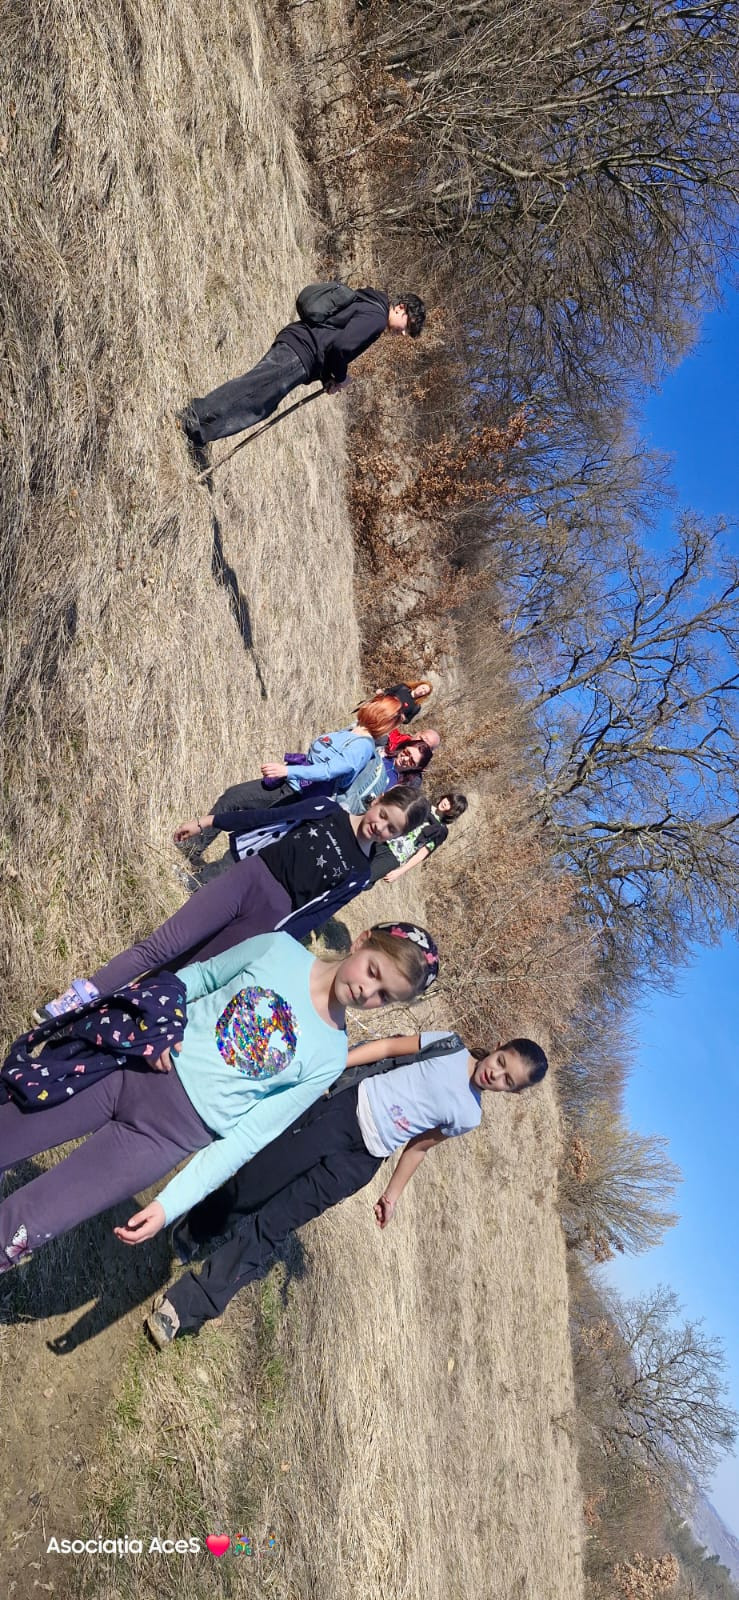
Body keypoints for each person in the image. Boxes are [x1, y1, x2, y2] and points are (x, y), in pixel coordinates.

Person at [0, 925, 438, 1275]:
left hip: (160, 1139)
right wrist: (160, 1027)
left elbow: (249, 1137)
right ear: (361, 941)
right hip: (125, 1068)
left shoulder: (331, 1057)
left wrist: (171, 1203)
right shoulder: (278, 949)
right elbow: (197, 979)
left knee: (33, 1220)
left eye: (384, 996)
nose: (367, 992)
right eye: (373, 972)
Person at [145, 1020, 548, 1346]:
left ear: (512, 1092)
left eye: (507, 1081)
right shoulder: (449, 1045)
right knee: (258, 1181)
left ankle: (187, 1306)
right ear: (498, 1046)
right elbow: (388, 1048)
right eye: (501, 1062)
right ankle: (197, 1228)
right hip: (341, 1112)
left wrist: (392, 1195)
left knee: (276, 1225)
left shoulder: (469, 1116)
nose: (495, 1075)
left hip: (361, 1162)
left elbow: (420, 1146)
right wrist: (335, 1068)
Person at [39, 787, 430, 1016]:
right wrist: (208, 822)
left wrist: (272, 948)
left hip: (265, 921)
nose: (380, 827)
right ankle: (82, 996)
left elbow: (313, 916)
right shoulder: (327, 808)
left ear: (397, 838)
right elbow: (265, 816)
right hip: (245, 880)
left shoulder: (360, 873)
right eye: (384, 815)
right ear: (378, 799)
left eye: (391, 830)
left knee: (184, 975)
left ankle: (112, 1017)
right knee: (164, 945)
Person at [179, 285, 426, 450]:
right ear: (401, 308)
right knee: (254, 394)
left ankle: (201, 431)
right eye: (408, 326)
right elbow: (340, 347)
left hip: (301, 347)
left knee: (259, 401)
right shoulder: (375, 318)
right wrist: (341, 377)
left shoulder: (370, 304)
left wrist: (328, 378)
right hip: (301, 352)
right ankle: (196, 416)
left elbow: (331, 338)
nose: (404, 333)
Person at [181, 697, 411, 846]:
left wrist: (287, 771)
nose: (368, 702)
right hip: (292, 781)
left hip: (300, 793)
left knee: (245, 816)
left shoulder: (362, 747)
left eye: (375, 702)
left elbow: (329, 771)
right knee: (235, 800)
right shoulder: (353, 730)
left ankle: (200, 858)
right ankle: (196, 847)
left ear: (377, 711)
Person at [368, 792, 468, 886]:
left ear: (452, 813)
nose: (446, 803)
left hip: (394, 857)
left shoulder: (441, 831)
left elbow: (422, 854)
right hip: (383, 840)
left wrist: (400, 871)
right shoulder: (422, 805)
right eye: (448, 799)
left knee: (367, 878)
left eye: (451, 805)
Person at [338, 733, 438, 815]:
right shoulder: (379, 753)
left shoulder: (401, 787)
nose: (405, 759)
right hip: (338, 790)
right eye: (407, 753)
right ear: (404, 747)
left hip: (353, 812)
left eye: (411, 761)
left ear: (417, 767)